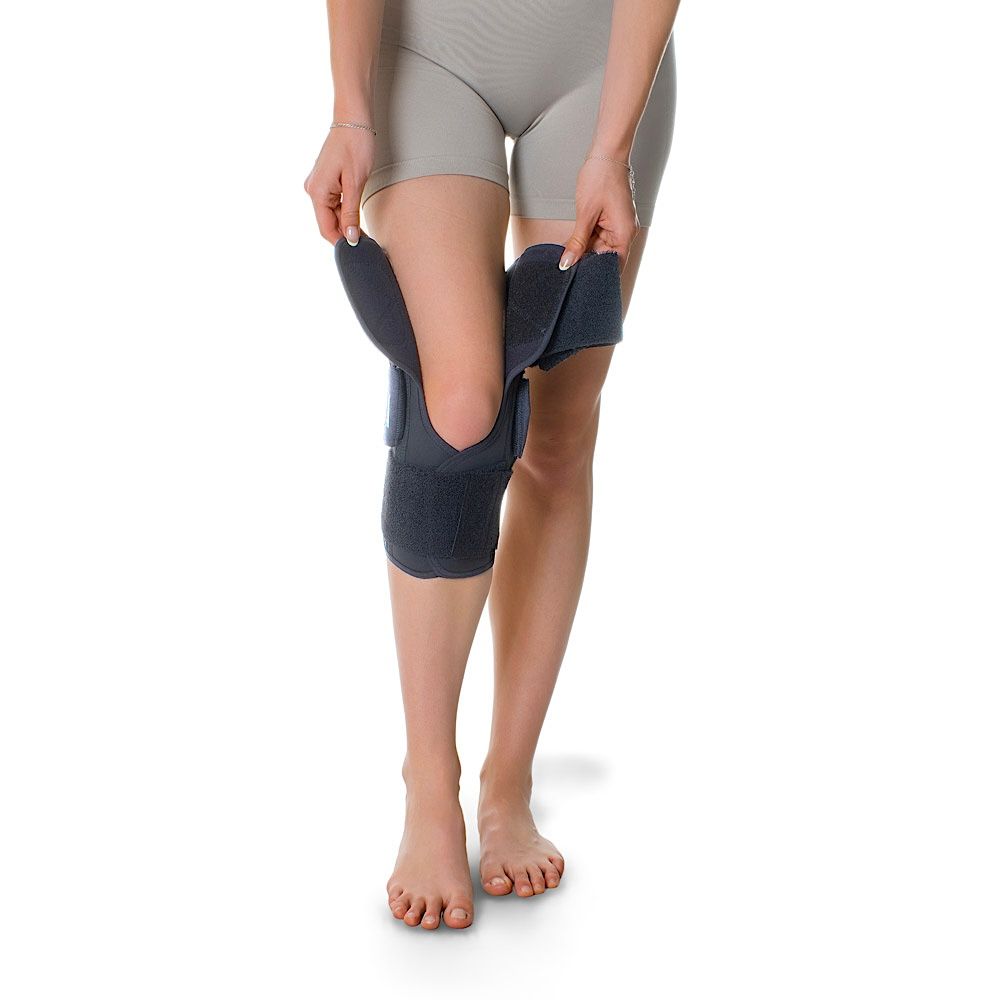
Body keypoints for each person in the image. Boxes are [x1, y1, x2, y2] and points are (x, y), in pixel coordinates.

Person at [304, 0, 680, 931]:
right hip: (428, 48)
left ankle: (507, 786)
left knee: (558, 434)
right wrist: (351, 109)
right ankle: (430, 782)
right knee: (457, 415)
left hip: (598, 56)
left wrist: (612, 147)